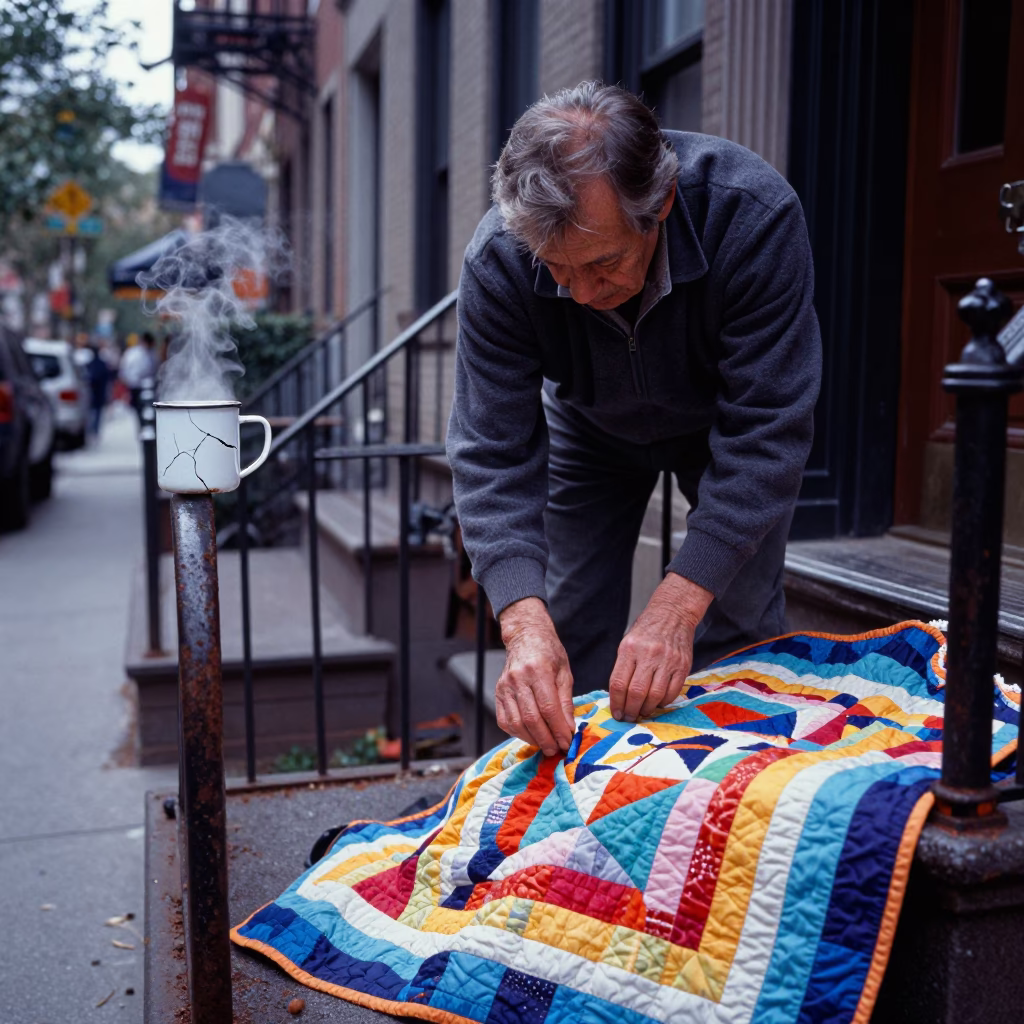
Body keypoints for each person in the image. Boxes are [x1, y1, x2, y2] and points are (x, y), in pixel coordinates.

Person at [446, 82, 822, 758]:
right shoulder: (500, 257)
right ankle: (567, 823)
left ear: (663, 204)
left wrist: (676, 607)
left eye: (603, 264)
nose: (583, 295)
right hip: (589, 430)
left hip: (726, 434)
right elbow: (490, 450)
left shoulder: (752, 215)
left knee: (735, 627)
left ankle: (731, 806)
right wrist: (520, 623)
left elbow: (769, 429)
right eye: (557, 271)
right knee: (562, 624)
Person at [118, 331, 159, 421]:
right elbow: (123, 369)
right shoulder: (132, 353)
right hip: (135, 386)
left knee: (148, 411)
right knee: (138, 410)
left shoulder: (152, 354)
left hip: (148, 387)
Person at [84, 343, 112, 438]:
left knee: (93, 412)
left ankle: (93, 430)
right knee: (97, 413)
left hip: (94, 392)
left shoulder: (90, 364)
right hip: (99, 393)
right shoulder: (100, 364)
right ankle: (94, 430)